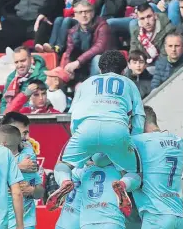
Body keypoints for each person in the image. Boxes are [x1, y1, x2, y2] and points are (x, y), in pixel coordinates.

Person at [47, 50, 145, 216]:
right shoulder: (129, 83)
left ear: (100, 70)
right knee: (134, 173)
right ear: (123, 71)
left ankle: (65, 181)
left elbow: (75, 117)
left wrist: (80, 142)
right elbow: (139, 118)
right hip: (117, 129)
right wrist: (131, 142)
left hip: (86, 129)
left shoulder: (87, 83)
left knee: (63, 165)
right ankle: (122, 185)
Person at [0, 0, 64, 57]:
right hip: (17, 18)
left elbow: (56, 0)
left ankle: (37, 71)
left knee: (40, 37)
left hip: (42, 18)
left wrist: (45, 12)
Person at [61, 0, 113, 82]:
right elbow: (69, 52)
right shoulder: (73, 31)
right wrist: (68, 68)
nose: (84, 15)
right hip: (83, 67)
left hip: (103, 65)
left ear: (92, 13)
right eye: (80, 12)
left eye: (87, 11)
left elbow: (99, 47)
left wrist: (78, 62)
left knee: (98, 59)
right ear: (75, 15)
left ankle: (91, 87)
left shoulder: (103, 25)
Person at [0, 46, 48, 114]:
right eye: (16, 62)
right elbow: (3, 104)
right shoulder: (11, 77)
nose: (20, 65)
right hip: (13, 117)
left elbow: (38, 101)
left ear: (31, 59)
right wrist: (6, 119)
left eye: (23, 61)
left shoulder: (42, 73)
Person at [130, 2, 176, 71]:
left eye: (149, 16)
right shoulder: (136, 31)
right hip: (144, 67)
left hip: (165, 67)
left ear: (155, 15)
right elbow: (133, 53)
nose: (147, 22)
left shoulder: (168, 28)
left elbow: (165, 55)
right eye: (142, 18)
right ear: (139, 20)